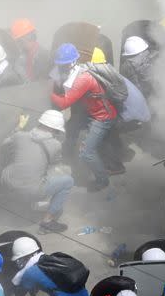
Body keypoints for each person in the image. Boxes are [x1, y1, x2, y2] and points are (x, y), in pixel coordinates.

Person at [50, 43, 117, 192]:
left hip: (102, 117)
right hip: (92, 113)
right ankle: (68, 162)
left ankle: (102, 180)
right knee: (71, 131)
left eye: (64, 64)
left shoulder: (84, 78)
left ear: (74, 61)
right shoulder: (77, 70)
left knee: (86, 152)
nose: (61, 67)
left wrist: (48, 91)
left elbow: (63, 103)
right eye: (60, 65)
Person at [0, 109, 74, 232]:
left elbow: (4, 144)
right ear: (54, 129)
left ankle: (12, 199)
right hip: (30, 190)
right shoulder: (55, 144)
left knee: (15, 162)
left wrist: (18, 127)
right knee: (68, 180)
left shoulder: (19, 136)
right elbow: (54, 165)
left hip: (7, 181)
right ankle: (47, 223)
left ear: (40, 123)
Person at [89, 47, 150, 175]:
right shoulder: (109, 71)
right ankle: (120, 153)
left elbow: (110, 101)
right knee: (109, 125)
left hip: (133, 117)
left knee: (103, 130)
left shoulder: (102, 77)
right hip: (138, 112)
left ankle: (115, 166)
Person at [11, 237, 89, 296]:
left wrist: (19, 276)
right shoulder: (54, 259)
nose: (18, 262)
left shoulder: (31, 272)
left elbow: (19, 294)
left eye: (19, 259)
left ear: (26, 256)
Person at [119, 36, 158, 101]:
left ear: (142, 53)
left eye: (133, 57)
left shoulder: (155, 61)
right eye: (129, 57)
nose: (130, 60)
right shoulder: (126, 67)